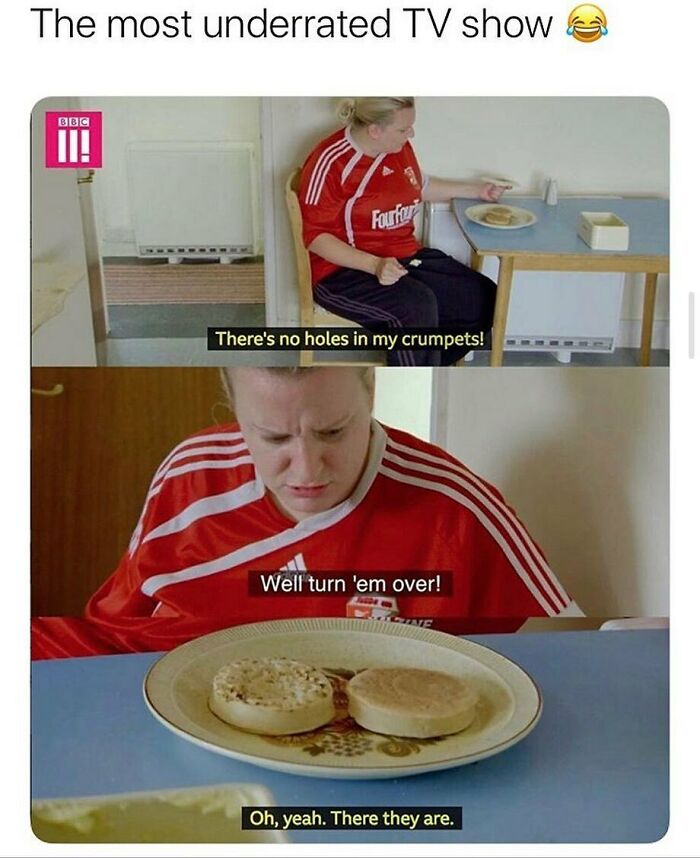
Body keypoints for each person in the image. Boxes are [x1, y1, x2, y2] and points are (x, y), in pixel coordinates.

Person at [32, 368, 580, 659]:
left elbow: (562, 653)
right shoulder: (187, 477)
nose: (307, 469)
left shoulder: (456, 509)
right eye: (271, 437)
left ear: (371, 389)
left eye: (333, 431)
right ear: (233, 407)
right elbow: (109, 638)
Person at [299, 97, 503, 367]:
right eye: (403, 129)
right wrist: (374, 265)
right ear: (375, 130)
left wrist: (475, 191)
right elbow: (315, 237)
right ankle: (414, 375)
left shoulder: (398, 147)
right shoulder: (332, 161)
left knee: (482, 297)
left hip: (402, 255)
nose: (411, 134)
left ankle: (423, 368)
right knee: (416, 308)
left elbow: (416, 185)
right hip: (341, 270)